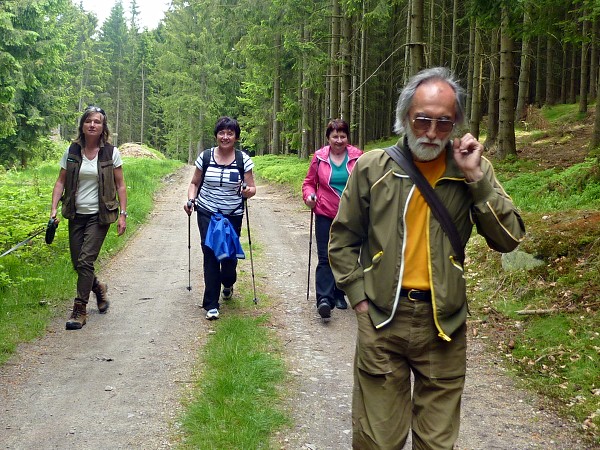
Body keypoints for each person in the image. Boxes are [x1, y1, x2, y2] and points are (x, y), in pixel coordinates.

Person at [329, 67, 526, 449]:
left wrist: (476, 179)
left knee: (437, 443)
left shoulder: (472, 169)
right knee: (376, 441)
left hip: (445, 325)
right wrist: (358, 299)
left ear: (457, 124)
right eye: (422, 120)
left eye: (443, 122)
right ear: (405, 118)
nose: (432, 133)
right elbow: (343, 237)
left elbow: (509, 239)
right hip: (382, 318)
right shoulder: (373, 167)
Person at [50, 106, 127, 330]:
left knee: (85, 261)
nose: (92, 125)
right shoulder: (72, 151)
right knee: (78, 263)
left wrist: (123, 214)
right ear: (82, 125)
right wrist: (53, 209)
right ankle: (98, 288)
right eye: (88, 121)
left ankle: (79, 309)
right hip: (76, 214)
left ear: (103, 127)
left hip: (99, 215)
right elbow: (60, 182)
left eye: (97, 122)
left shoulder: (111, 152)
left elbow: (121, 185)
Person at [184, 116, 256, 320]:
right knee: (210, 253)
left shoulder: (243, 160)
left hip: (232, 215)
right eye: (222, 133)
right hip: (207, 212)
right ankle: (211, 304)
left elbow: (252, 189)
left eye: (230, 133)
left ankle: (228, 282)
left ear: (236, 137)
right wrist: (191, 200)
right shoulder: (205, 157)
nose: (225, 137)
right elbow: (194, 183)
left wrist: (246, 191)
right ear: (216, 135)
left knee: (229, 258)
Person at [302, 119, 362, 319]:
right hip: (325, 212)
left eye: (342, 136)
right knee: (325, 256)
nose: (339, 140)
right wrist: (309, 197)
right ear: (328, 138)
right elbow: (309, 183)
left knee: (346, 256)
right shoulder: (319, 157)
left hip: (350, 214)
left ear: (347, 138)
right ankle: (324, 299)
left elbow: (366, 183)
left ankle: (339, 293)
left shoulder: (357, 157)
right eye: (335, 136)